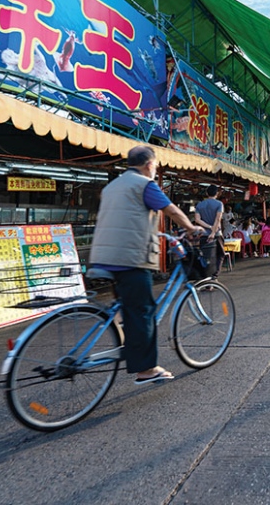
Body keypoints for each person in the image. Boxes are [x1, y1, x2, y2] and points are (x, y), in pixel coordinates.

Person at [86, 145, 204, 385]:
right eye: (156, 165)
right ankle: (147, 369)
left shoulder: (112, 186)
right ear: (150, 165)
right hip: (129, 259)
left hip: (102, 255)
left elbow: (126, 217)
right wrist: (192, 228)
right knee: (144, 311)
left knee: (128, 307)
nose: (156, 168)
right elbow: (170, 209)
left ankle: (124, 334)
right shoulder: (144, 184)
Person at [194, 184, 226, 276]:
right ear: (217, 193)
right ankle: (214, 277)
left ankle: (207, 277)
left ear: (207, 193)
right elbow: (218, 218)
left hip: (203, 235)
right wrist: (213, 232)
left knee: (206, 257)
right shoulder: (219, 204)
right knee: (220, 255)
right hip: (216, 235)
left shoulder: (200, 205)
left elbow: (197, 219)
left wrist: (208, 227)